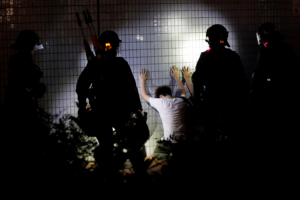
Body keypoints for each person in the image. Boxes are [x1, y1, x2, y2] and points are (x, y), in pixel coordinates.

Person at [76, 30, 144, 170]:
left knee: (108, 148)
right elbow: (132, 89)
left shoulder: (94, 65)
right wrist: (137, 109)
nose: (111, 48)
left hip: (104, 114)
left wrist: (83, 107)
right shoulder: (119, 63)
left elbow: (81, 88)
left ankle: (109, 176)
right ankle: (138, 175)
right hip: (119, 113)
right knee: (129, 146)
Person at [192, 24, 249, 154]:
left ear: (209, 39)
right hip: (231, 101)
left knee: (210, 135)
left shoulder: (205, 57)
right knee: (232, 135)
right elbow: (242, 81)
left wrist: (198, 103)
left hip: (211, 100)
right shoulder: (233, 56)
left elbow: (197, 81)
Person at [251, 22, 298, 156]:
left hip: (268, 94)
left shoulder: (265, 51)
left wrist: (253, 90)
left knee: (269, 125)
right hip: (286, 93)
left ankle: (272, 150)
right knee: (283, 124)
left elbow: (258, 74)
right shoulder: (287, 48)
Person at [139, 66, 187, 164]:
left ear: (161, 97)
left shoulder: (162, 102)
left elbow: (144, 96)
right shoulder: (181, 101)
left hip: (170, 143)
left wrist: (142, 80)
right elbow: (183, 91)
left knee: (156, 156)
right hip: (184, 141)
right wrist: (176, 76)